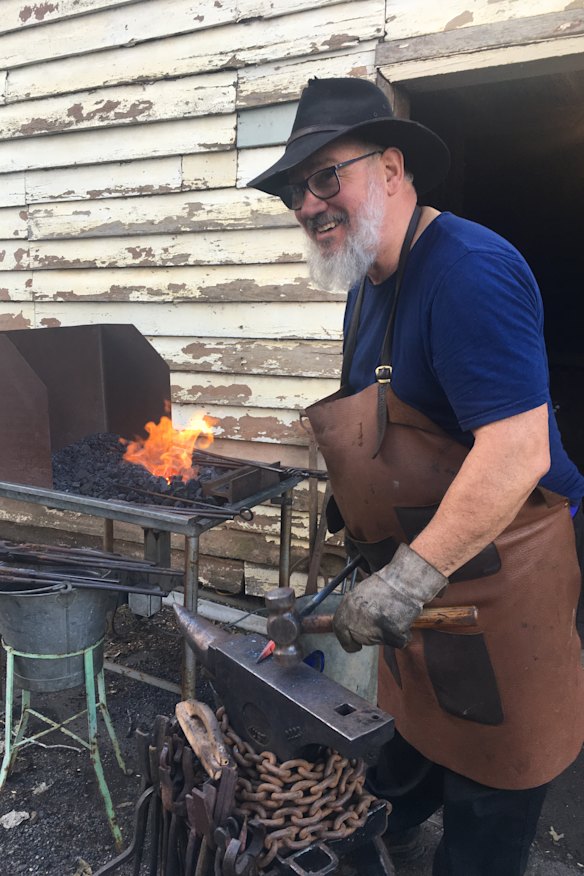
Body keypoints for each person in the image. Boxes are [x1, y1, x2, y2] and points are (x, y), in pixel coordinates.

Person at [248, 77, 584, 876]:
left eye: (326, 176)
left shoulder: (470, 271)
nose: (308, 204)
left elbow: (516, 454)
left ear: (392, 167)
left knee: (490, 802)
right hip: (427, 580)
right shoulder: (367, 284)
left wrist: (404, 581)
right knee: (418, 739)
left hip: (507, 586)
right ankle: (391, 836)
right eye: (295, 191)